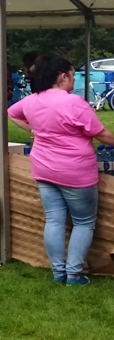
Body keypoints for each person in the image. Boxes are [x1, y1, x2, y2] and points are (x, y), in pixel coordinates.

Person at [8, 58, 114, 286]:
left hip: (44, 169)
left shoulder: (32, 100)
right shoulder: (74, 102)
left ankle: (58, 272)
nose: (74, 80)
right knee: (83, 222)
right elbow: (102, 134)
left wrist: (34, 129)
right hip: (75, 171)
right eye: (73, 75)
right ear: (63, 76)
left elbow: (12, 113)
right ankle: (73, 274)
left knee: (54, 220)